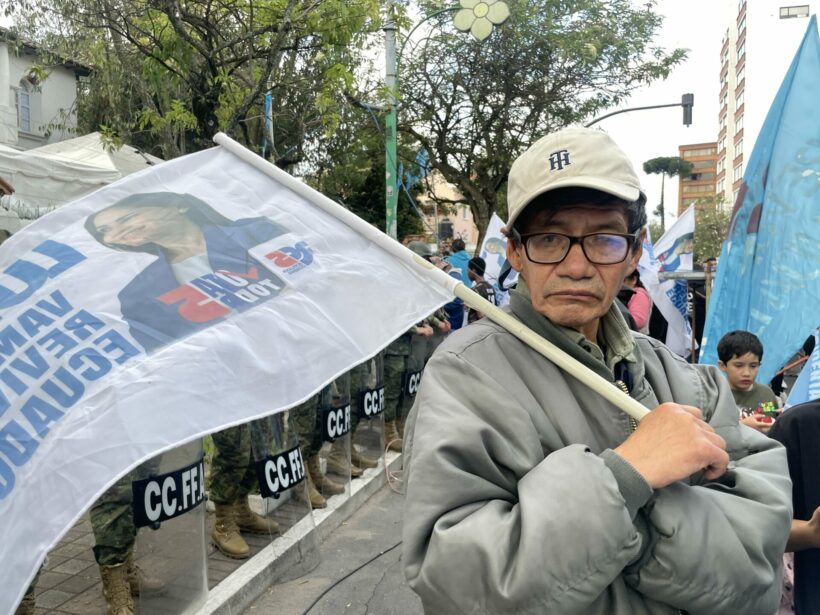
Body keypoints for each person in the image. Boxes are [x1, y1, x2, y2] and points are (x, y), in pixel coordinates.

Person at [402, 126, 791, 614]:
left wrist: (623, 532)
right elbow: (457, 582)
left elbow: (758, 566)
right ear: (516, 250)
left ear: (634, 250)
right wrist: (627, 477)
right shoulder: (465, 377)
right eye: (549, 238)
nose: (577, 266)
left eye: (604, 239)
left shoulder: (687, 381)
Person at [86, 192, 287, 353]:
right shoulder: (136, 295)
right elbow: (167, 356)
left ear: (180, 206)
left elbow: (310, 278)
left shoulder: (257, 232)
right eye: (104, 231)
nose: (117, 232)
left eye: (127, 218)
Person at [717, 330, 781, 433]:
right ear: (722, 366)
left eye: (753, 366)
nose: (747, 373)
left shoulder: (766, 393)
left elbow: (775, 424)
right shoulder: (715, 395)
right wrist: (742, 426)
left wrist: (785, 418)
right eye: (738, 365)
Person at [619, 269, 652, 334]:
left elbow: (639, 321)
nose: (621, 284)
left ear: (634, 280)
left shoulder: (639, 294)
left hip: (634, 338)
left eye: (624, 280)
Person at [466, 256, 496, 323]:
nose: (467, 273)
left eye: (468, 270)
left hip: (477, 328)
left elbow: (480, 316)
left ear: (473, 270)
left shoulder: (475, 290)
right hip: (490, 326)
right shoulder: (491, 288)